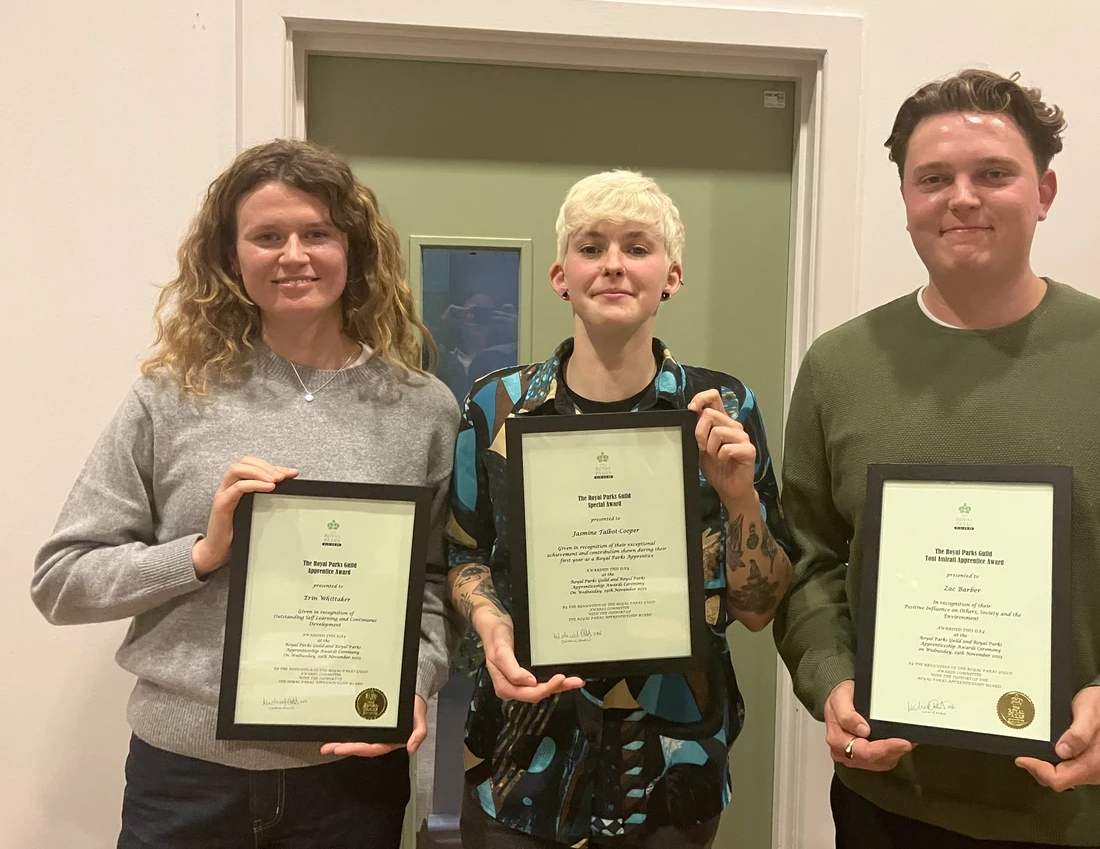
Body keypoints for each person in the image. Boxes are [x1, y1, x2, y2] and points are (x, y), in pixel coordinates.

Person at [773, 70, 1100, 849]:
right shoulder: (839, 368)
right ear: (905, 200)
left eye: (993, 174)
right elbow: (811, 564)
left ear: (1044, 192)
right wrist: (831, 676)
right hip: (890, 809)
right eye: (932, 179)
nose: (961, 198)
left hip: (1096, 819)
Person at [31, 139, 460, 849]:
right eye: (267, 236)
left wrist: (415, 678)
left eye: (317, 233)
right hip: (185, 781)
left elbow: (436, 585)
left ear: (352, 249)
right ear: (232, 259)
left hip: (350, 782)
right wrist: (201, 553)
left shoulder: (423, 409)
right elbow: (60, 583)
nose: (294, 254)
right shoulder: (170, 398)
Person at [445, 169, 794, 847]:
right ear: (559, 275)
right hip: (521, 759)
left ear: (671, 276)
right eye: (591, 246)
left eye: (637, 247)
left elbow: (760, 611)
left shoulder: (724, 407)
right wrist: (491, 629)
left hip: (674, 765)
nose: (613, 265)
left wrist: (739, 496)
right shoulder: (495, 407)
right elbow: (463, 553)